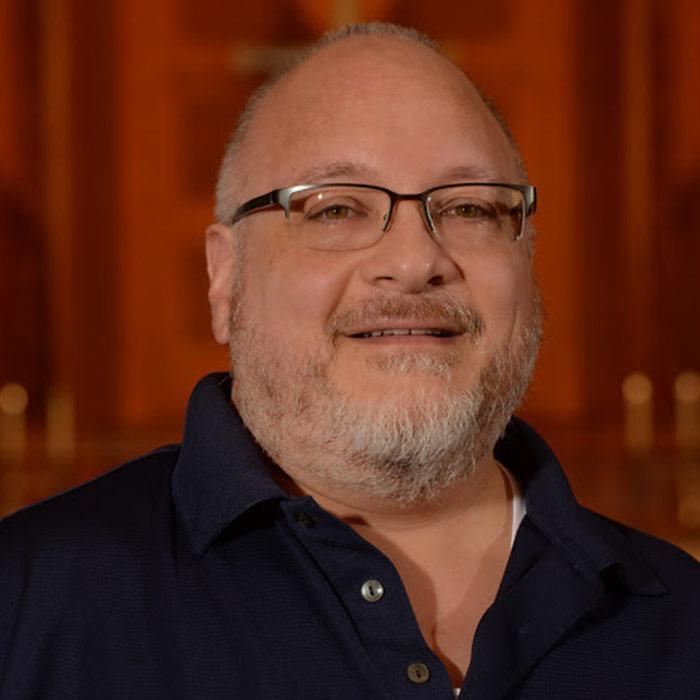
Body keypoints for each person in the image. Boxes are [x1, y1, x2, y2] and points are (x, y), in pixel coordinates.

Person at [0, 22, 698, 700]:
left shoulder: (684, 620)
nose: (415, 261)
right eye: (335, 210)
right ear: (224, 276)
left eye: (470, 209)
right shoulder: (25, 601)